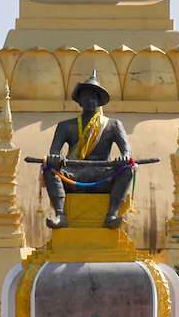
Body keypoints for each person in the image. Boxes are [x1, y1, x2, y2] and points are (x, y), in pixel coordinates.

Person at [41, 73, 135, 227]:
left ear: (99, 101)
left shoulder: (113, 125)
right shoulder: (65, 126)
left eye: (94, 96)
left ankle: (112, 214)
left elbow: (127, 151)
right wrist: (55, 159)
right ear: (80, 100)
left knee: (128, 169)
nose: (90, 100)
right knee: (49, 168)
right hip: (74, 175)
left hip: (103, 175)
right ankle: (60, 214)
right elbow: (54, 152)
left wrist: (123, 158)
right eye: (86, 96)